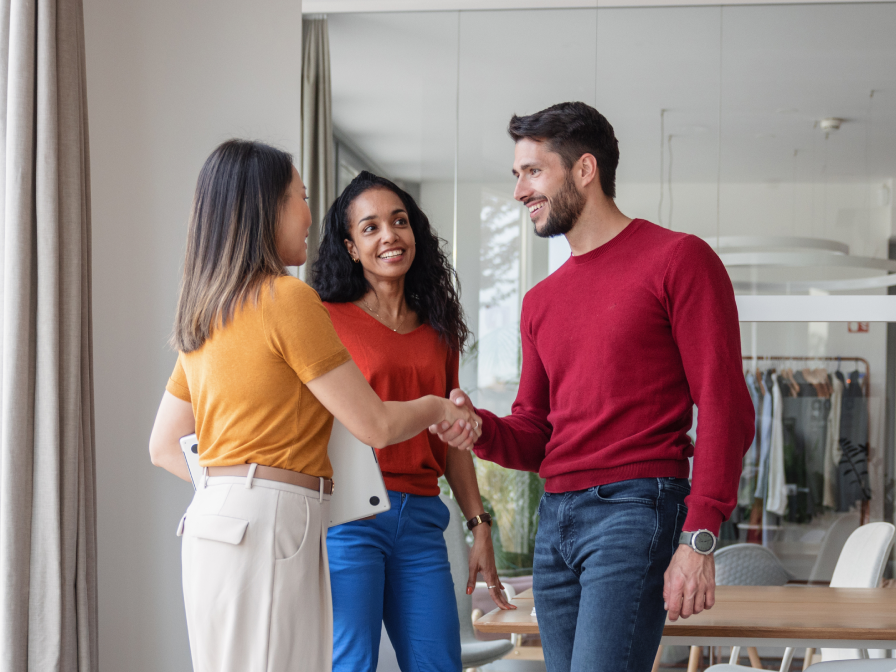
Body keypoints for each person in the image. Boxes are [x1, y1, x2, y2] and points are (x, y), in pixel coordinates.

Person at [431, 102, 755, 672]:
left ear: (585, 170)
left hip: (636, 508)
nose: (519, 191)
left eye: (533, 172)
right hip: (556, 521)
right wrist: (479, 429)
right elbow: (535, 433)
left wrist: (699, 536)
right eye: (516, 176)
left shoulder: (678, 260)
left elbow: (727, 405)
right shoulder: (540, 302)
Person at [148, 141, 481, 672]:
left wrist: (235, 486)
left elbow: (164, 445)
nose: (308, 213)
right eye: (299, 196)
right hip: (282, 517)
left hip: (212, 522)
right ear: (266, 208)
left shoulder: (208, 305)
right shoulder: (288, 298)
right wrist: (439, 407)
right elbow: (372, 423)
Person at [310, 170, 515, 672]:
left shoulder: (439, 332)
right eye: (371, 227)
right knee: (351, 662)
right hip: (349, 515)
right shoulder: (325, 319)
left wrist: (478, 523)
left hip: (422, 519)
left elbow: (452, 440)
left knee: (438, 662)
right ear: (351, 247)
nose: (389, 236)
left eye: (398, 222)